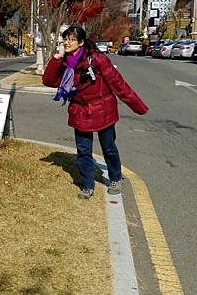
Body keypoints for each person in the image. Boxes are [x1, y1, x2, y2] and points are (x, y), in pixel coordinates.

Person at [42, 26, 149, 199]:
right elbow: (49, 81)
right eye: (65, 39)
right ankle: (87, 185)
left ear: (81, 42)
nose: (67, 42)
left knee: (108, 147)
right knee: (83, 150)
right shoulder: (64, 63)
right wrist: (55, 59)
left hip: (103, 108)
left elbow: (118, 83)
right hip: (80, 110)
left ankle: (115, 178)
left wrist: (138, 106)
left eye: (71, 39)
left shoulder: (97, 59)